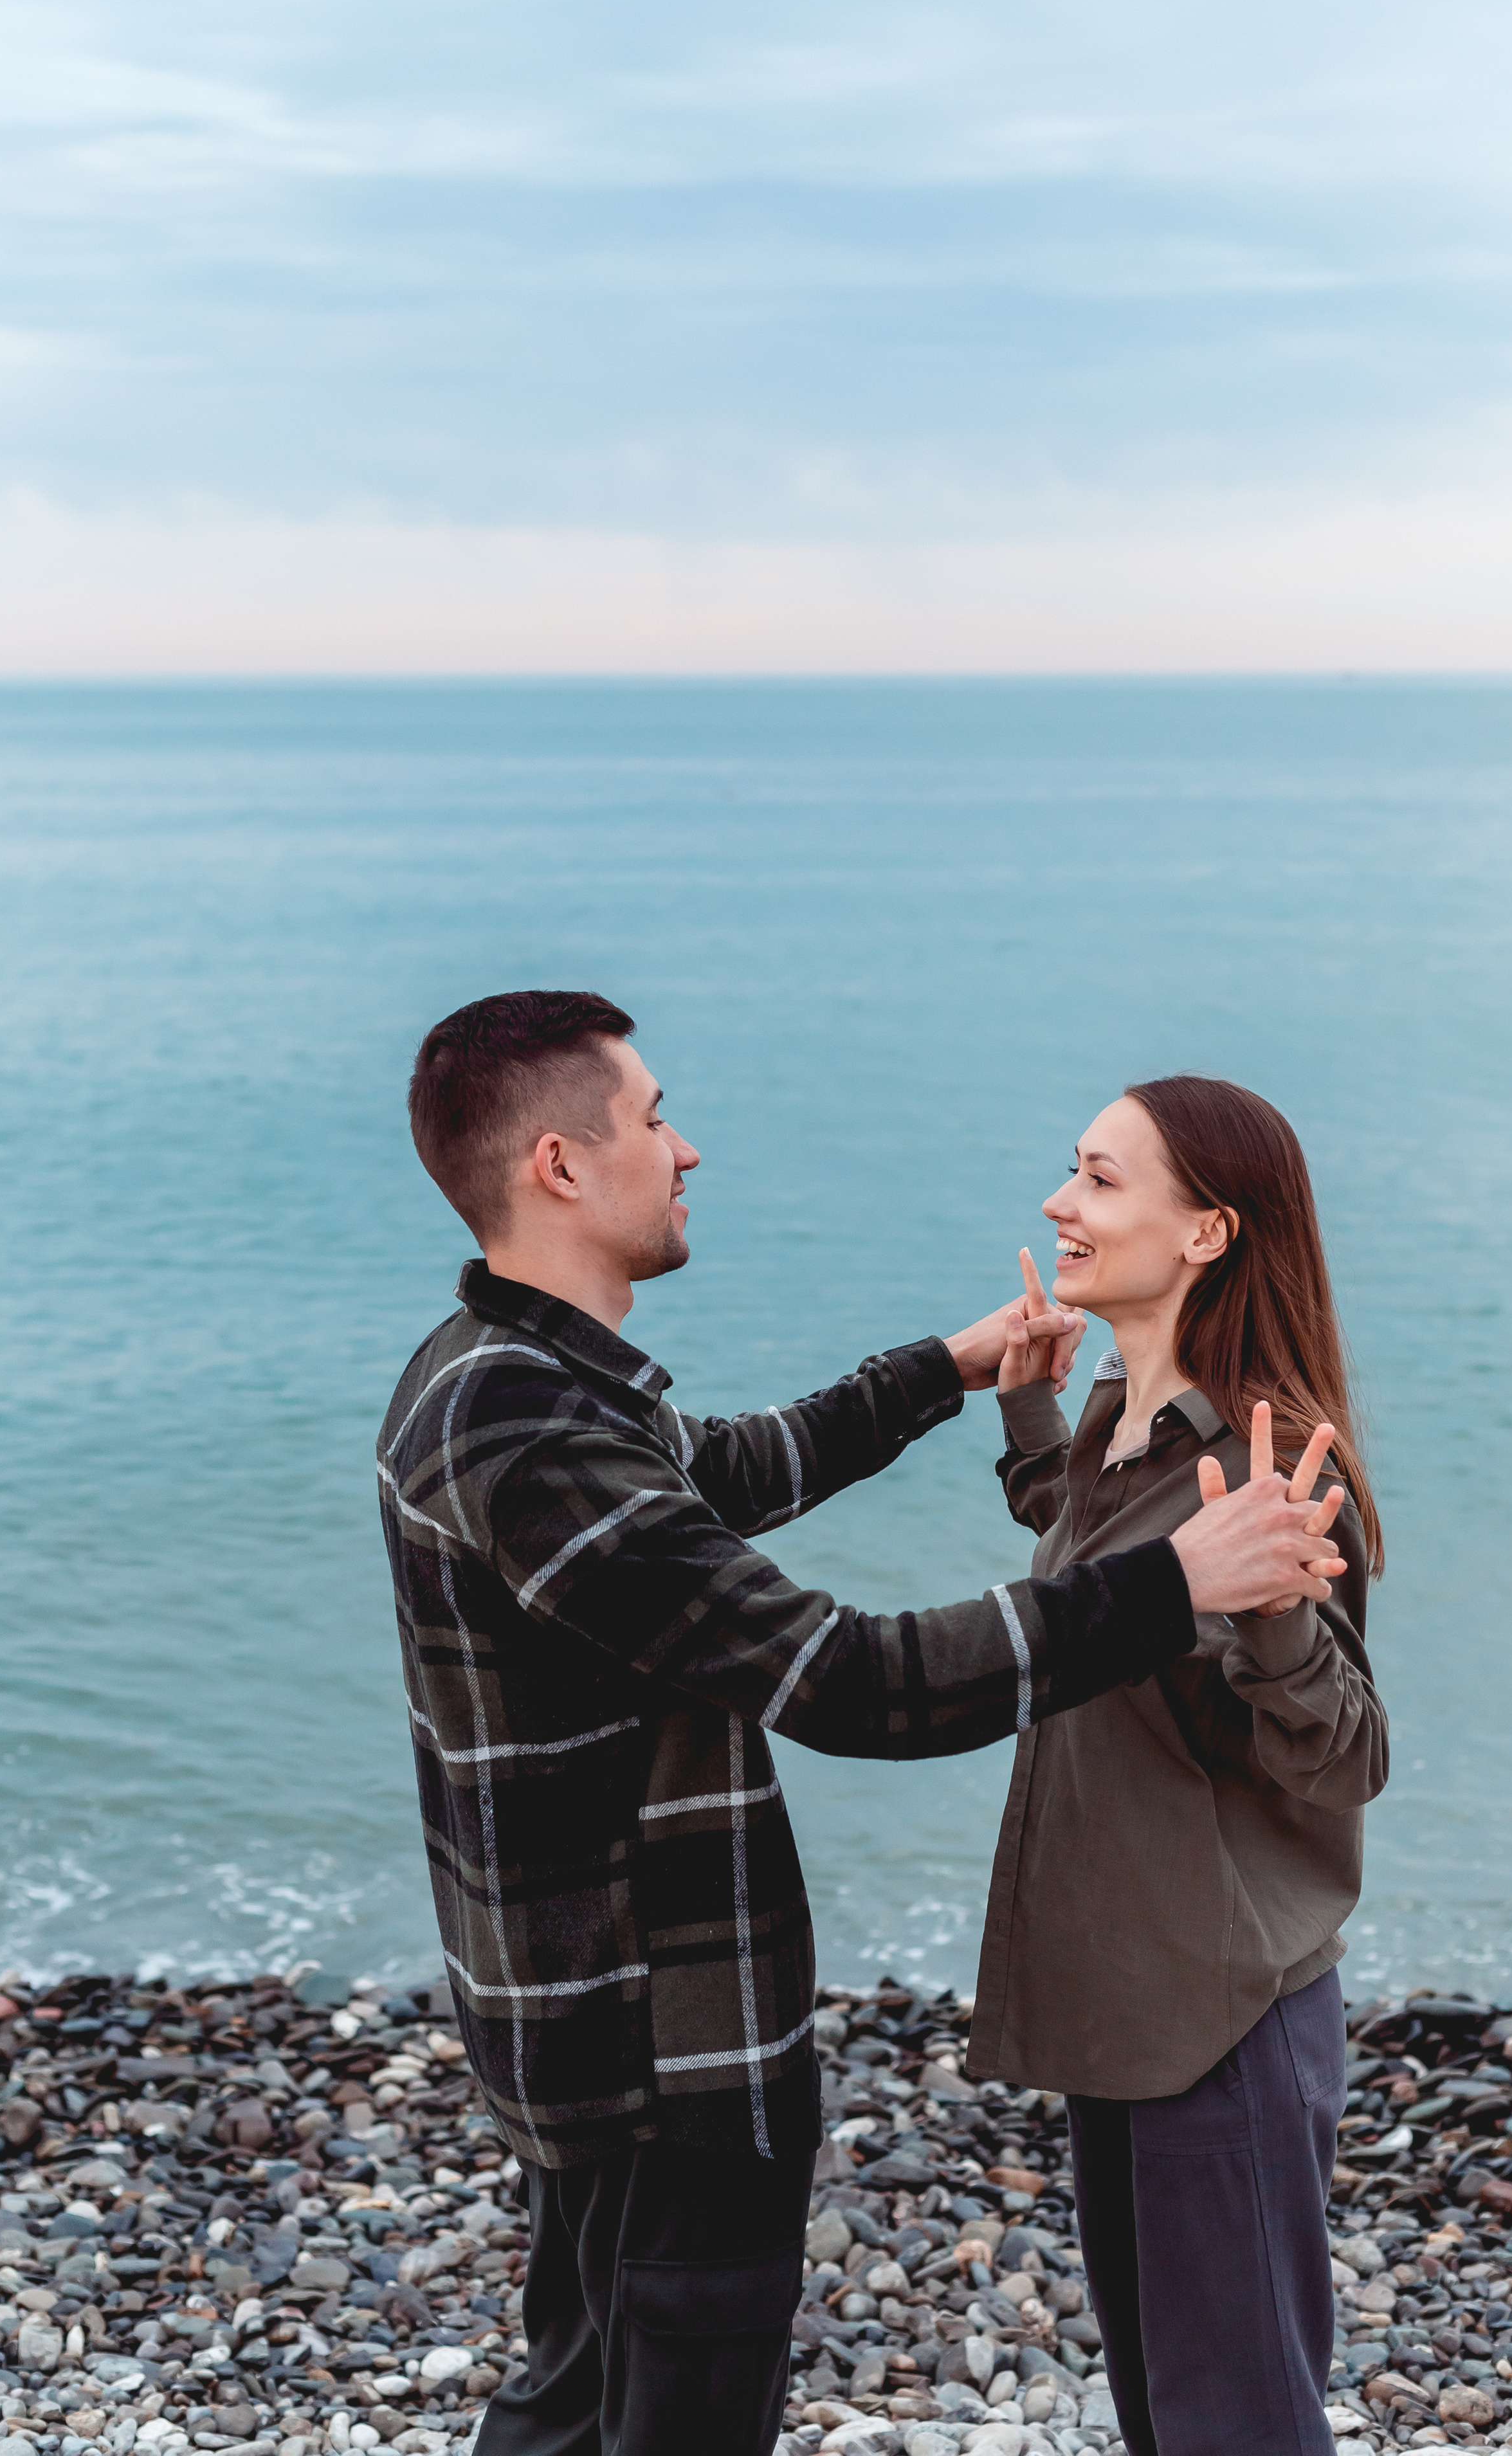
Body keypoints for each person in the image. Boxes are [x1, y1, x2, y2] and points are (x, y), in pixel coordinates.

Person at [376, 994, 1349, 2456]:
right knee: (654, 2416)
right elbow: (851, 1680)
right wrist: (1170, 1583)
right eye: (653, 1118)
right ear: (561, 1165)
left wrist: (945, 1373)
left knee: (577, 2396)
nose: (684, 1149)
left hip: (592, 2030)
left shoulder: (510, 1374)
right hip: (656, 2041)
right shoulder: (525, 1429)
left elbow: (719, 1473)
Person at [968, 1074, 1388, 2456]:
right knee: (1165, 2416)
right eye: (1071, 1169)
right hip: (1127, 1999)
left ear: (1205, 1232)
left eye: (1100, 1179)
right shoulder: (1123, 1421)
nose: (1058, 1202)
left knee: (1236, 2427)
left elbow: (1345, 1754)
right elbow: (1093, 1550)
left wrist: (1276, 1620)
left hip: (1223, 2018)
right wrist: (1031, 1422)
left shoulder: (1270, 1467)